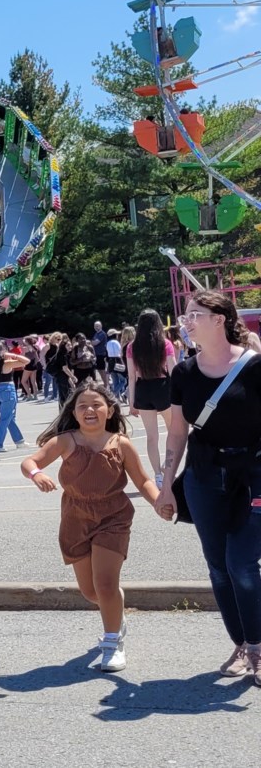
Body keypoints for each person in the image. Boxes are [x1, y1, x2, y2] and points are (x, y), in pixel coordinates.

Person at [20, 382, 164, 672]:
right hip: (75, 517)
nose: (89, 410)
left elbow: (143, 481)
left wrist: (160, 502)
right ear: (73, 412)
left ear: (110, 410)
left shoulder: (120, 444)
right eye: (82, 405)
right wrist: (36, 474)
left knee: (106, 584)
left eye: (96, 404)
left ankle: (112, 643)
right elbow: (29, 461)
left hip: (114, 516)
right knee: (91, 592)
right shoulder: (65, 441)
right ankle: (116, 613)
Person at [156, 290, 261, 684]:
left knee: (242, 565)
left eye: (195, 315)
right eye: (187, 315)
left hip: (252, 473)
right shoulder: (183, 373)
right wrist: (165, 487)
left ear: (220, 319)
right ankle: (242, 643)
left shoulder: (255, 367)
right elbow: (177, 434)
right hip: (203, 476)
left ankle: (257, 646)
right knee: (218, 567)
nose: (187, 321)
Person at [126, 309, 176, 487]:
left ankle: (157, 474)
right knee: (173, 431)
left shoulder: (133, 346)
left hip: (143, 389)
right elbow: (173, 370)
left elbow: (131, 376)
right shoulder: (164, 343)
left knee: (151, 436)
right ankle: (168, 467)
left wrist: (132, 402)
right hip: (162, 388)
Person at [0, 340, 29, 453]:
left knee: (9, 417)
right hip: (7, 390)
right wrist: (12, 355)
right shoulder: (6, 363)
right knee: (5, 418)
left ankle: (19, 441)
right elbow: (26, 361)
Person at [106, 328, 127, 403]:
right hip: (118, 361)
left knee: (115, 381)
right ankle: (115, 393)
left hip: (110, 362)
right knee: (123, 381)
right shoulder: (116, 342)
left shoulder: (107, 343)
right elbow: (119, 352)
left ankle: (117, 399)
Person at [20, 336, 40, 400]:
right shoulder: (35, 347)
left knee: (23, 381)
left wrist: (22, 365)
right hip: (34, 365)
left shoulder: (25, 348)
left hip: (28, 365)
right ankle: (35, 396)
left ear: (27, 341)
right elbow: (37, 358)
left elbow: (22, 357)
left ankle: (29, 395)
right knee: (33, 382)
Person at [92, 321, 109, 388]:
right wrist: (93, 342)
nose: (96, 327)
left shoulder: (102, 334)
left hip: (101, 354)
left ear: (101, 326)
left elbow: (95, 343)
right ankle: (104, 383)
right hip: (97, 354)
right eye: (95, 326)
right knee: (99, 369)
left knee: (102, 370)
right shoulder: (96, 334)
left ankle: (106, 385)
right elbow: (93, 342)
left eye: (98, 326)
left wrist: (93, 342)